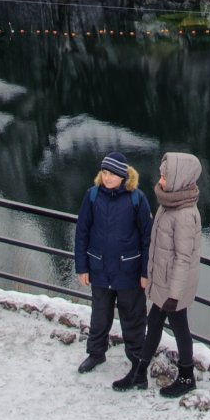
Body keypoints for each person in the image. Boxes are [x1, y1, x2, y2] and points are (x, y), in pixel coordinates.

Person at [112, 151, 202, 397]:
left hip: (173, 288)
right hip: (165, 283)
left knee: (179, 328)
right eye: (162, 175)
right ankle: (139, 372)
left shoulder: (183, 214)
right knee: (154, 325)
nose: (160, 180)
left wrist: (174, 294)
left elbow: (183, 257)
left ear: (179, 178)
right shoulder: (171, 202)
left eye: (165, 176)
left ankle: (186, 377)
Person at [73, 151, 152, 375]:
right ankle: (96, 353)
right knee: (99, 315)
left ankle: (137, 358)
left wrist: (145, 272)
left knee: (133, 317)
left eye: (112, 174)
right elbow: (82, 233)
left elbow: (148, 238)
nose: (107, 178)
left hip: (129, 271)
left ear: (123, 176)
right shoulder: (92, 196)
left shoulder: (137, 199)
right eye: (104, 173)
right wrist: (82, 267)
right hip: (99, 269)